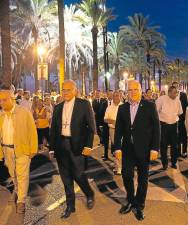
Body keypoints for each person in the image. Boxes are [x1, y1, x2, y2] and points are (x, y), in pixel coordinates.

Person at [114, 80, 160, 221]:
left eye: (135, 89)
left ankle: (139, 205)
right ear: (126, 92)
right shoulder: (122, 108)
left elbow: (156, 129)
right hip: (128, 150)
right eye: (130, 90)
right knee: (127, 175)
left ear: (140, 91)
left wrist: (154, 148)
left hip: (144, 150)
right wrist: (117, 147)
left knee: (142, 178)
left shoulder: (150, 106)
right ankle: (130, 200)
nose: (132, 92)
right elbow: (118, 130)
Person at [50, 80, 95, 219]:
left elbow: (91, 127)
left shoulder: (84, 104)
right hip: (61, 145)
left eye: (68, 90)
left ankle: (89, 193)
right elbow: (53, 130)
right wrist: (52, 148)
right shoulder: (57, 107)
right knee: (65, 177)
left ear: (75, 90)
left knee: (79, 174)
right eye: (63, 90)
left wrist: (88, 145)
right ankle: (70, 205)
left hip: (77, 146)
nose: (65, 92)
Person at [0, 86, 38, 214]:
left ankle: (21, 201)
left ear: (12, 99)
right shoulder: (1, 115)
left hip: (22, 150)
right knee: (13, 174)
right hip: (7, 150)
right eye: (0, 101)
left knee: (22, 176)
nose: (1, 103)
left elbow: (32, 131)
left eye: (4, 100)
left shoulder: (24, 112)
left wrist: (33, 148)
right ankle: (17, 190)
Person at [156, 86, 183, 169]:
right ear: (169, 92)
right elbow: (155, 111)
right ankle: (164, 163)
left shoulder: (178, 100)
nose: (176, 94)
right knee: (163, 145)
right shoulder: (161, 99)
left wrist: (172, 117)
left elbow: (180, 112)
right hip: (164, 125)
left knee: (174, 145)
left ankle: (174, 162)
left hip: (174, 125)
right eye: (175, 92)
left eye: (177, 92)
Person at [104, 91, 122, 174]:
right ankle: (117, 166)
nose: (115, 97)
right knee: (116, 148)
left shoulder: (124, 106)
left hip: (122, 130)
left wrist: (115, 121)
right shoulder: (109, 107)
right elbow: (105, 119)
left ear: (120, 97)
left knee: (121, 148)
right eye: (114, 96)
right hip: (112, 130)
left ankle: (120, 167)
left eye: (117, 96)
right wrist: (114, 121)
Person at [172, 81, 188, 158]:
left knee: (184, 136)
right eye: (174, 86)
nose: (176, 88)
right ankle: (178, 152)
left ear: (179, 87)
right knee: (176, 137)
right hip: (173, 119)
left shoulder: (184, 95)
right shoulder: (170, 96)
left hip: (181, 119)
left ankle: (184, 151)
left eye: (177, 86)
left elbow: (185, 106)